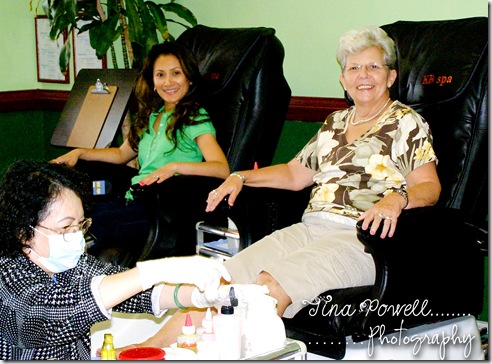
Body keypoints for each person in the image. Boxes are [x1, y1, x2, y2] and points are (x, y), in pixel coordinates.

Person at [121, 25, 441, 350]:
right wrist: (241, 176)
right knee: (219, 283)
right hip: (310, 228)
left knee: (266, 288)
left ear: (390, 77)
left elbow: (429, 187)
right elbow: (293, 174)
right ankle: (143, 352)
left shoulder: (406, 122)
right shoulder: (335, 123)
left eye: (373, 66)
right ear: (343, 79)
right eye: (354, 67)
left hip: (362, 239)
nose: (363, 75)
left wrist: (397, 199)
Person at [0, 159, 234, 360]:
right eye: (65, 228)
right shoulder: (7, 279)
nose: (76, 236)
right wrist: (155, 270)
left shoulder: (70, 265)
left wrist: (196, 294)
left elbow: (127, 291)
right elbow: (58, 311)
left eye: (80, 225)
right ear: (24, 233)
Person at [53, 41, 230, 261]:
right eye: (160, 75)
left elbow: (221, 169)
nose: (168, 82)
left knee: (95, 223)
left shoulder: (195, 117)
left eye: (176, 73)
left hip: (164, 210)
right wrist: (80, 153)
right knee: (75, 214)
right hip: (134, 198)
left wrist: (174, 167)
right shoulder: (150, 117)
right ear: (152, 81)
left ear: (189, 78)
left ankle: (72, 256)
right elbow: (120, 154)